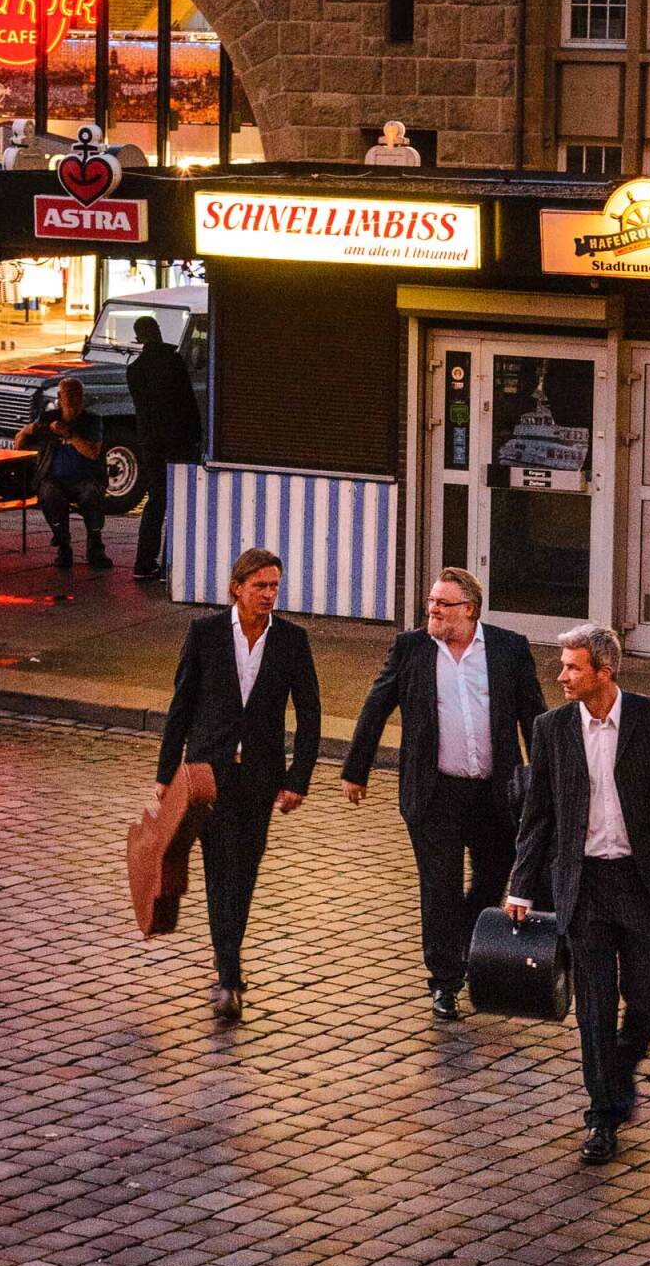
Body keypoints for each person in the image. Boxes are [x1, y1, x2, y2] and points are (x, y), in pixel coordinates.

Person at [507, 624, 650, 1166]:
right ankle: (602, 1116)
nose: (561, 676)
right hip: (582, 884)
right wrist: (521, 885)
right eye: (562, 665)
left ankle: (617, 1071)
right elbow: (538, 813)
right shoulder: (551, 728)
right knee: (593, 1005)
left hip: (638, 880)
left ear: (603, 673)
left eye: (572, 667)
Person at [340, 567, 546, 1020]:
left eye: (442, 604)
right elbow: (377, 705)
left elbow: (535, 717)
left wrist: (547, 780)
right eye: (431, 602)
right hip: (435, 792)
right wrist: (356, 770)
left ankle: (467, 944)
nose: (432, 609)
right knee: (440, 888)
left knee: (494, 876)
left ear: (469, 610)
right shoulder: (411, 649)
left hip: (494, 792)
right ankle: (445, 981)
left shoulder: (508, 649)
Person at [154, 547, 320, 1022]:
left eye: (274, 586)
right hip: (210, 775)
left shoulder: (291, 640)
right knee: (219, 865)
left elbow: (309, 715)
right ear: (237, 588)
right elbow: (181, 705)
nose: (269, 595)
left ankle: (228, 955)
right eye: (260, 586)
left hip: (260, 777)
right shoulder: (205, 634)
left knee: (245, 869)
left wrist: (298, 778)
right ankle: (228, 973)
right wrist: (167, 775)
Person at [125, 314, 203, 584]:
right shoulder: (173, 362)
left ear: (138, 338)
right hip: (178, 442)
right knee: (179, 501)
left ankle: (144, 562)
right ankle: (172, 561)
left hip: (150, 443)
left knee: (156, 500)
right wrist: (196, 437)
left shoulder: (134, 370)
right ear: (157, 332)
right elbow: (187, 403)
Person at [15, 376, 110, 570]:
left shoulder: (92, 421)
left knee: (91, 494)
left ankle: (95, 545)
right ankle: (62, 544)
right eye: (69, 395)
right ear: (60, 397)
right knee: (49, 494)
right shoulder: (49, 418)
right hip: (53, 478)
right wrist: (26, 431)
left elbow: (93, 452)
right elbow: (19, 445)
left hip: (85, 477)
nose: (73, 399)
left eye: (77, 395)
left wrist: (70, 435)